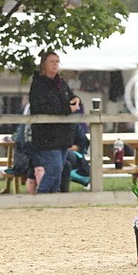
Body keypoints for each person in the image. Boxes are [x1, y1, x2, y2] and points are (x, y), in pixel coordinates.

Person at [29, 50, 79, 194]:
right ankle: (41, 196)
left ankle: (54, 200)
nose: (55, 65)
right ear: (44, 65)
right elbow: (42, 108)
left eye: (57, 61)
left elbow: (70, 96)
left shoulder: (60, 82)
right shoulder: (38, 85)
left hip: (63, 134)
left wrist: (76, 99)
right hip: (46, 135)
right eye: (52, 62)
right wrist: (67, 108)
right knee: (54, 169)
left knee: (59, 171)